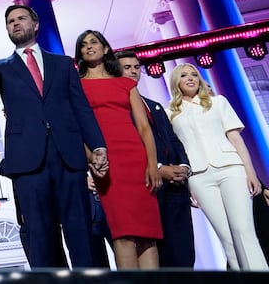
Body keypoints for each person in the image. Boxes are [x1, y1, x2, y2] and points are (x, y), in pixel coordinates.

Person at [0, 6, 108, 269]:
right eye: (10, 21)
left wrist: (97, 145)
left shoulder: (63, 63)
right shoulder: (1, 68)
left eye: (21, 18)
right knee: (41, 238)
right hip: (27, 163)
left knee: (81, 233)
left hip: (67, 156)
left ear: (35, 25)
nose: (15, 24)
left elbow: (80, 108)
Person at [167, 63, 268, 270]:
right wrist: (187, 185)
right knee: (226, 238)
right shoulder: (170, 113)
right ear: (176, 82)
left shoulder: (218, 102)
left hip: (231, 169)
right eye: (184, 75)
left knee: (243, 230)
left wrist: (250, 172)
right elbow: (176, 151)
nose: (190, 78)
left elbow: (236, 139)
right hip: (198, 177)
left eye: (194, 74)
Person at [75, 30, 162, 269]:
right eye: (83, 45)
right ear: (80, 53)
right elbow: (76, 128)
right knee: (123, 233)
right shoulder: (77, 86)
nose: (89, 47)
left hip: (136, 159)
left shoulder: (126, 83)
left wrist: (152, 165)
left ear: (105, 49)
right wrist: (90, 159)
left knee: (147, 233)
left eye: (94, 42)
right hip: (107, 164)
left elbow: (144, 127)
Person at [115, 50, 196, 268]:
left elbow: (173, 139)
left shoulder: (154, 104)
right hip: (149, 187)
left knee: (184, 252)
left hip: (177, 187)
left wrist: (184, 167)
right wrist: (158, 168)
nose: (133, 71)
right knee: (158, 253)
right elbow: (126, 148)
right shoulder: (117, 108)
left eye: (136, 67)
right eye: (127, 67)